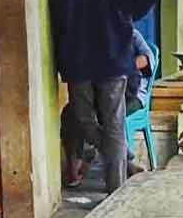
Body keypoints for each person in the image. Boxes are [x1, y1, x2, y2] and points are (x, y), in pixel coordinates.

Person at [49, 0, 159, 193]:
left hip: (98, 60)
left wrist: (126, 17)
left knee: (104, 123)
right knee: (92, 123)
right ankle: (117, 161)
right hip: (90, 60)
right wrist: (127, 15)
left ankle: (116, 188)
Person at [62, 28, 156, 186]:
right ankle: (75, 166)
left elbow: (148, 58)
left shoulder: (128, 31)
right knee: (71, 114)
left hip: (131, 93)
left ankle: (120, 167)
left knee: (109, 119)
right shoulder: (86, 36)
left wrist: (121, 64)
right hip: (98, 94)